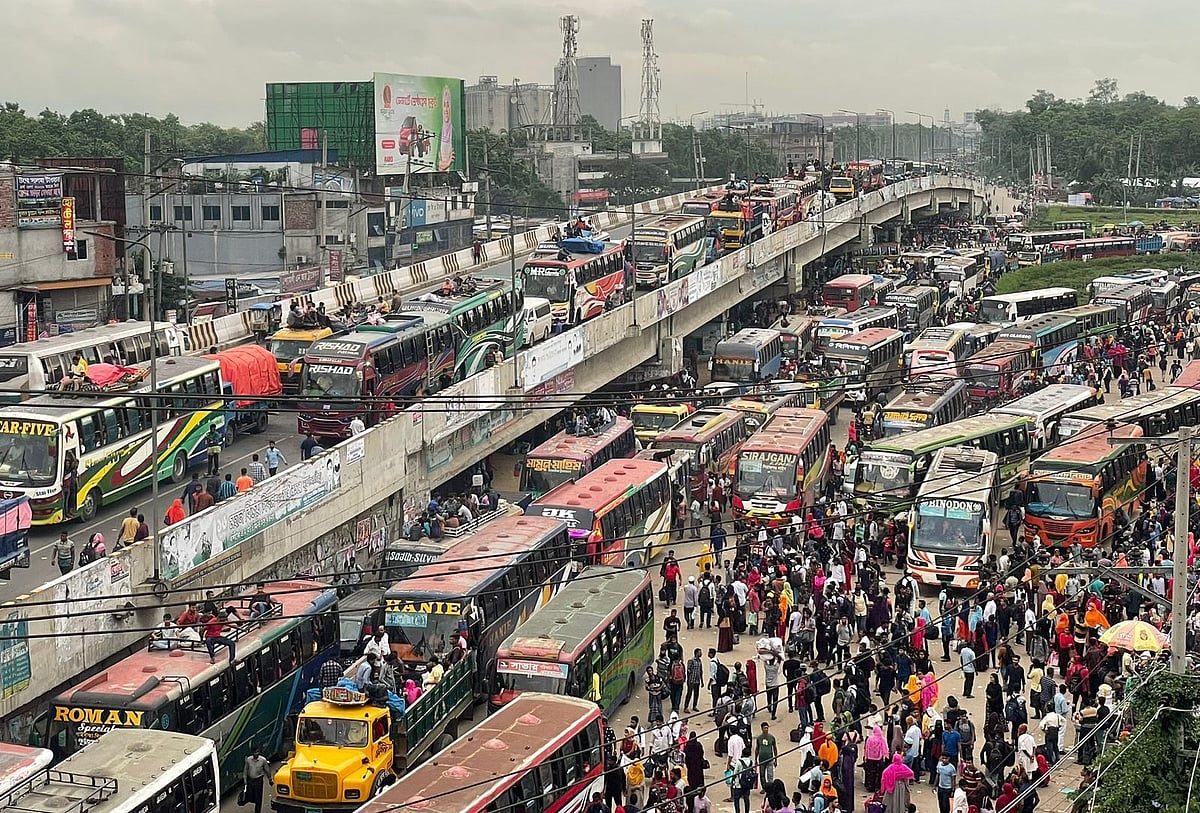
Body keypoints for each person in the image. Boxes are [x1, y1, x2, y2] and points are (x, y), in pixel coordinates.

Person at [243, 748, 272, 813]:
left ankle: (257, 810)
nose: (256, 754)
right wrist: (245, 779)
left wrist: (270, 779)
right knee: (250, 795)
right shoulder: (248, 760)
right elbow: (245, 769)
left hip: (258, 781)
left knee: (258, 797)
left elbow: (267, 770)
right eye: (254, 752)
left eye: (257, 752)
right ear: (252, 753)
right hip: (250, 780)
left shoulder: (263, 760)